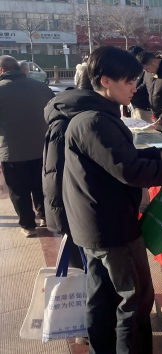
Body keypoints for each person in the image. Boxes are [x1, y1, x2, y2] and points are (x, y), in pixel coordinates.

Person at [62, 46, 162, 354]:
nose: (134, 87)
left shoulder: (90, 115)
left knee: (102, 297)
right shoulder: (96, 121)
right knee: (136, 299)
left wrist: (156, 154)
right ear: (105, 81)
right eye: (128, 81)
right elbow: (132, 172)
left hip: (92, 224)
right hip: (113, 227)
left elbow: (118, 158)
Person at [42, 70, 94, 269]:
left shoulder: (75, 113)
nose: (133, 88)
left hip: (79, 209)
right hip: (75, 212)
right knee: (81, 270)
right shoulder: (69, 123)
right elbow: (56, 173)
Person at [0, 56, 54, 236]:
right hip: (42, 148)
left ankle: (28, 225)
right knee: (41, 185)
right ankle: (45, 216)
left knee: (18, 190)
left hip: (12, 150)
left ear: (1, 70)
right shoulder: (41, 87)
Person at [127, 46, 153, 123]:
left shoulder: (147, 70)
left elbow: (145, 87)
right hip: (134, 106)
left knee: (144, 129)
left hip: (142, 107)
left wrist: (132, 93)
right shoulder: (135, 70)